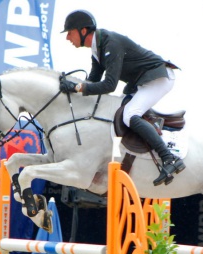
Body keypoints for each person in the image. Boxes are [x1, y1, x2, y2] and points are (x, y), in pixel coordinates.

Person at [59, 9, 185, 186]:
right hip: (143, 81)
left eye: (69, 33)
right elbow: (93, 80)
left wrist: (79, 87)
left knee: (129, 114)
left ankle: (169, 158)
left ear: (83, 30)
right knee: (119, 109)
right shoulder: (98, 48)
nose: (67, 38)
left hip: (159, 77)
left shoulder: (111, 43)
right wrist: (72, 88)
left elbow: (109, 85)